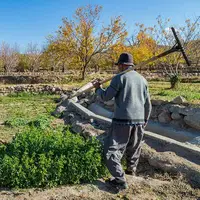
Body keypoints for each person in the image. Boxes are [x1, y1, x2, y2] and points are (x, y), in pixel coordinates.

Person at [92, 52, 152, 191]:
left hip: (122, 121)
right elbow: (148, 104)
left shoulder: (119, 78)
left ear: (122, 65)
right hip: (139, 121)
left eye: (118, 65)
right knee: (134, 148)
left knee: (111, 151)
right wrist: (145, 121)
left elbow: (106, 97)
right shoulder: (143, 80)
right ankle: (131, 171)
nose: (117, 68)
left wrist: (97, 89)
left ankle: (120, 180)